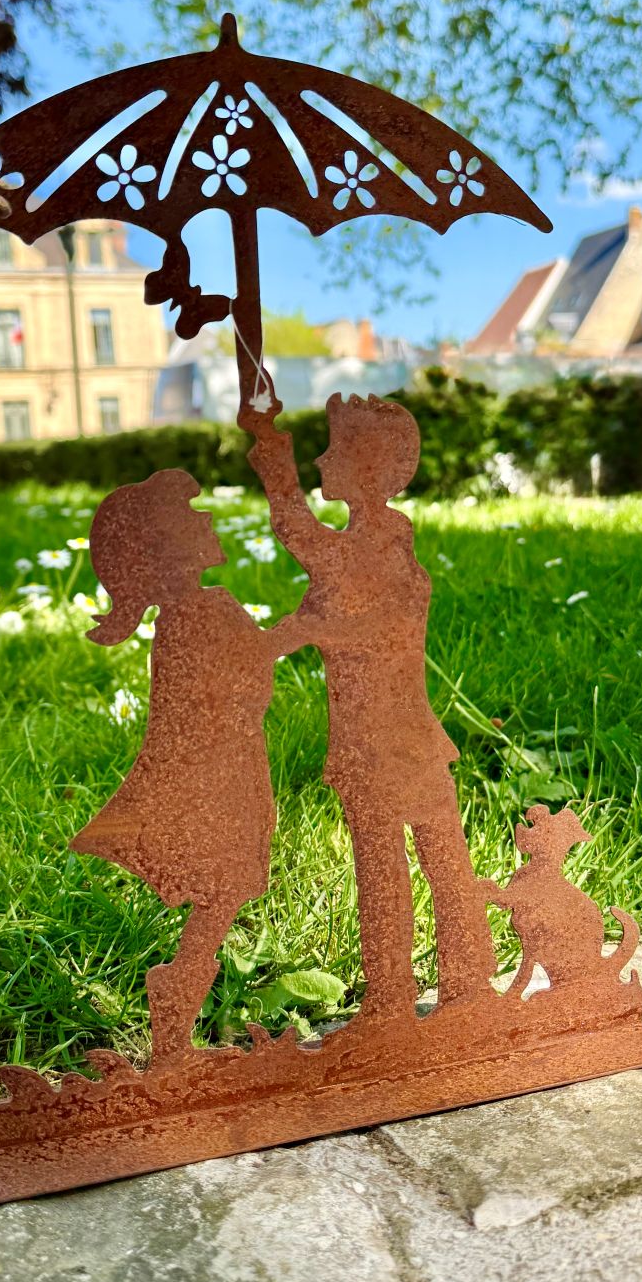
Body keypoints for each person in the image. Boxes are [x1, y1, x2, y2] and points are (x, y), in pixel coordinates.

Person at [246, 393, 497, 1018]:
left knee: (426, 859)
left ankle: (453, 987)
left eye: (335, 450)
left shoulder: (383, 541)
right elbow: (321, 584)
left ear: (367, 471)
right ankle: (407, 994)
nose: (325, 459)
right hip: (374, 740)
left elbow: (356, 602)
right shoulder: (365, 547)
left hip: (396, 738)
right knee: (398, 864)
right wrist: (279, 637)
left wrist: (276, 455)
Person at [71, 469, 298, 1063]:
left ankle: (175, 1018)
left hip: (229, 772)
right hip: (214, 783)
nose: (207, 520)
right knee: (221, 891)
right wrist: (303, 629)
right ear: (168, 546)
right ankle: (172, 1030)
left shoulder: (193, 613)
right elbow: (242, 682)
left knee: (222, 897)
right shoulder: (196, 615)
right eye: (190, 516)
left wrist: (289, 637)